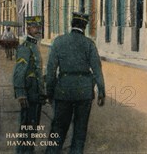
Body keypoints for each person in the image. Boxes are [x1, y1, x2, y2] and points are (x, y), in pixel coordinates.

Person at [45, 12, 105, 153]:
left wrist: (50, 92)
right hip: (84, 92)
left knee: (58, 128)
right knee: (80, 130)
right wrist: (101, 91)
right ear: (84, 26)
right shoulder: (89, 44)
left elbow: (51, 71)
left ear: (72, 24)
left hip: (63, 91)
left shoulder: (58, 41)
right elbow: (97, 70)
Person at [12, 16, 45, 153]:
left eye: (39, 27)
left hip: (35, 93)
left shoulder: (34, 46)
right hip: (29, 93)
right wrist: (20, 93)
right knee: (27, 126)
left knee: (32, 126)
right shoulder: (25, 47)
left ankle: (27, 151)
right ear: (28, 29)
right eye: (34, 27)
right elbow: (19, 72)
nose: (37, 30)